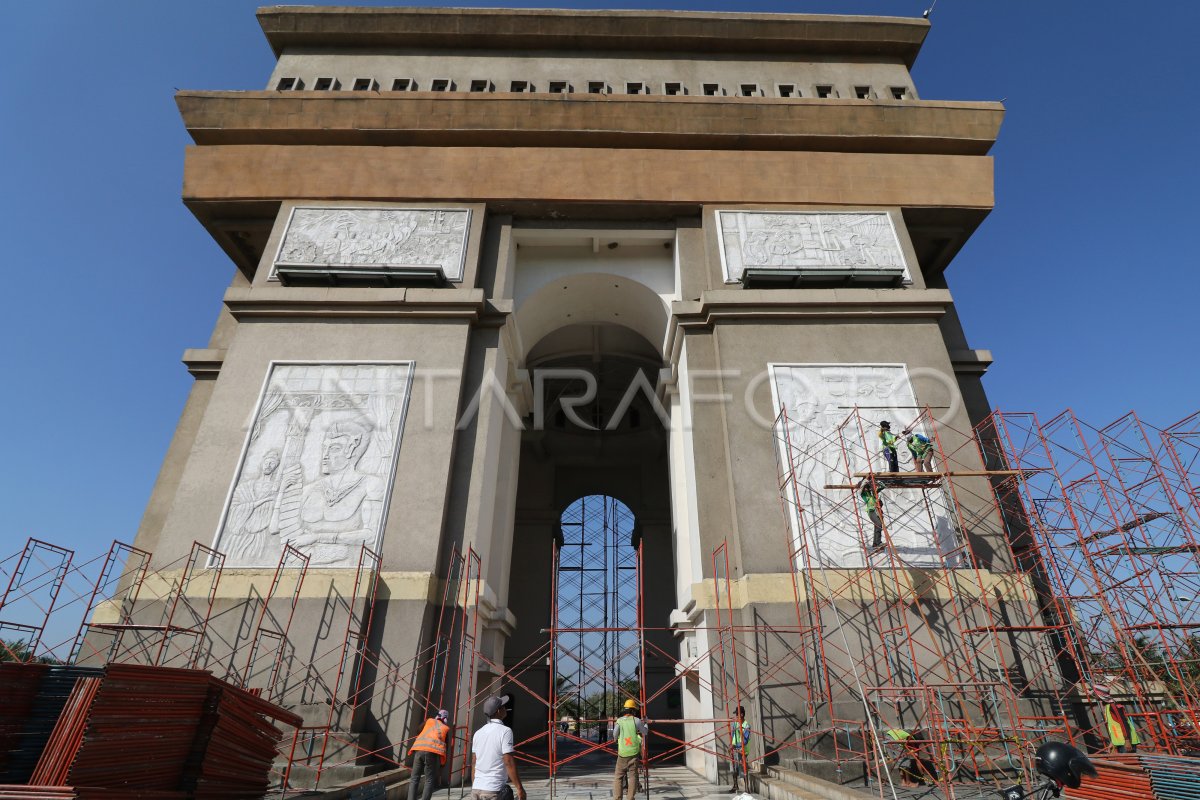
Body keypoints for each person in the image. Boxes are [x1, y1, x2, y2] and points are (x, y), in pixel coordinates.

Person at [471, 695, 526, 800]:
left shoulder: (478, 733)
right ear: (498, 711)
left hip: (476, 789)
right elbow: (508, 761)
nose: (505, 708)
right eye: (503, 707)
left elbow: (474, 762)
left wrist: (476, 785)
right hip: (493, 790)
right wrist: (520, 788)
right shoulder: (505, 731)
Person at [409, 709, 451, 800]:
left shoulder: (428, 721)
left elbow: (418, 730)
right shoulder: (445, 728)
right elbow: (445, 747)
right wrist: (443, 763)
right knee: (429, 780)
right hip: (431, 753)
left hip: (418, 750)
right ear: (446, 718)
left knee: (414, 779)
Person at [611, 698, 648, 800]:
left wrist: (615, 740)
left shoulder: (619, 721)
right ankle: (630, 798)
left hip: (622, 754)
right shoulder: (636, 721)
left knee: (618, 777)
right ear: (633, 710)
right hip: (633, 753)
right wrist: (646, 723)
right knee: (633, 776)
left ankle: (617, 798)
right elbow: (645, 732)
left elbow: (615, 734)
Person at [1094, 684, 1141, 753]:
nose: (1094, 695)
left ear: (1100, 694)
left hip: (1126, 742)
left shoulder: (1113, 706)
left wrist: (1127, 740)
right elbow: (1114, 727)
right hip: (1121, 742)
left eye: (1095, 693)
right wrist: (1113, 742)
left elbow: (1123, 723)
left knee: (1128, 763)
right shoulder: (1108, 706)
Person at [729, 705, 752, 793]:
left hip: (743, 751)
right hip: (735, 750)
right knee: (733, 768)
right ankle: (735, 785)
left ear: (741, 715)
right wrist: (731, 745)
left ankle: (747, 787)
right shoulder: (735, 724)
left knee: (743, 768)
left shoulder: (747, 726)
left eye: (737, 715)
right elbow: (733, 736)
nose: (736, 717)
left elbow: (745, 741)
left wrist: (735, 746)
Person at [860, 485, 885, 551]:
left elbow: (882, 487)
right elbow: (861, 491)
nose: (866, 489)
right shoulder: (865, 496)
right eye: (865, 488)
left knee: (877, 526)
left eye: (867, 488)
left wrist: (879, 484)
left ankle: (875, 543)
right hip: (871, 512)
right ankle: (878, 542)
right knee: (879, 524)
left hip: (877, 512)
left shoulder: (873, 495)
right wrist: (865, 483)